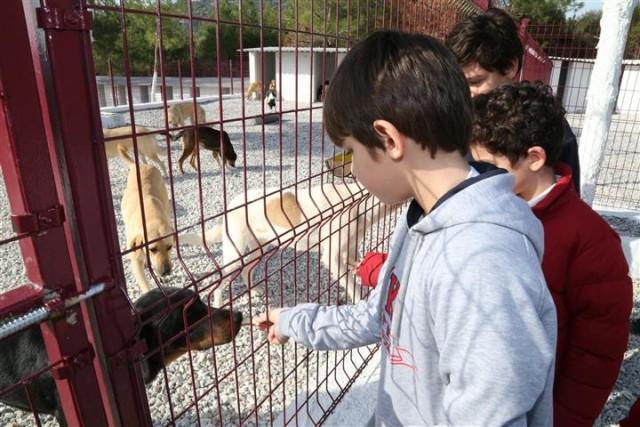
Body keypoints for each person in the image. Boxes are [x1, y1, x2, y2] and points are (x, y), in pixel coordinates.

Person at [253, 31, 557, 426]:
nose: (353, 168)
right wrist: (294, 320)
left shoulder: (483, 261)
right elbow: (380, 316)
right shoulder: (422, 216)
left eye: (351, 152)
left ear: (388, 139)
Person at [470, 82, 632, 426]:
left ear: (534, 158)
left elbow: (595, 354)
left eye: (487, 167)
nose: (476, 178)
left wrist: (563, 421)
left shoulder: (592, 241)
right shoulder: (481, 211)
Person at [445, 7, 581, 193]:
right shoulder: (453, 120)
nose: (466, 93)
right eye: (459, 83)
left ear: (510, 67)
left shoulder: (547, 128)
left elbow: (564, 201)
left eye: (476, 81)